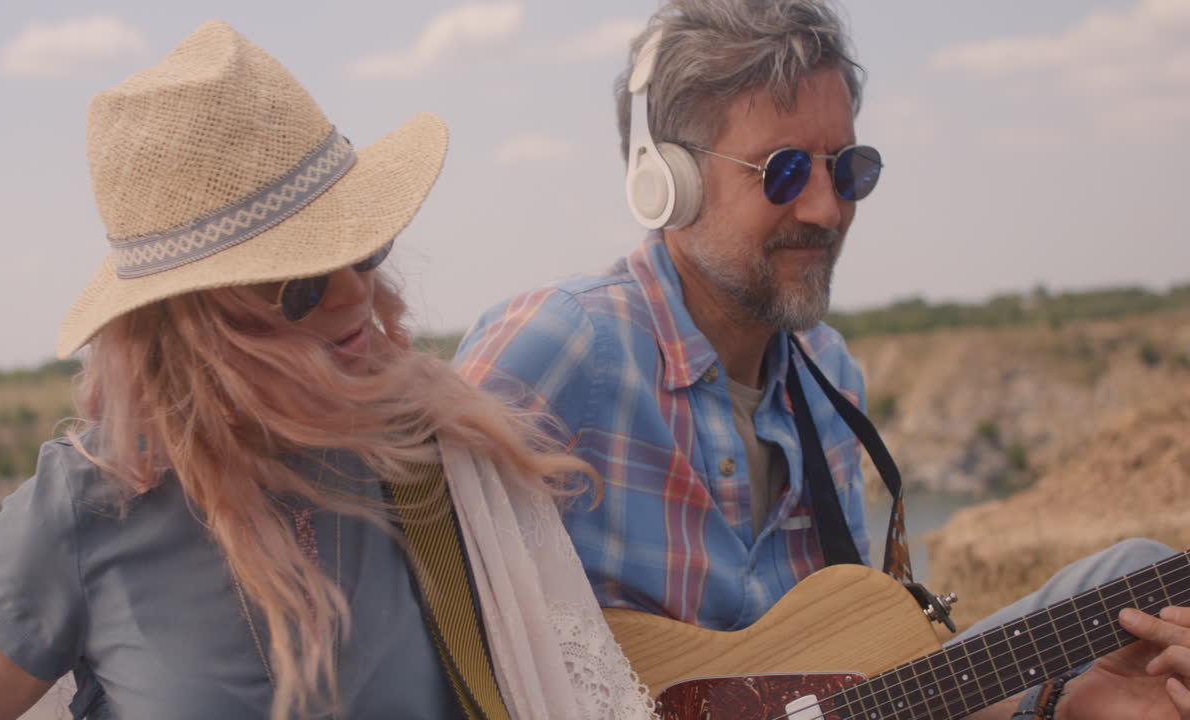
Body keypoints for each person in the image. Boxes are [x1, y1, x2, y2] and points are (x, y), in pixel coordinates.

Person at [452, 0, 1190, 717]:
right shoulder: (563, 347)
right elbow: (419, 617)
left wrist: (1060, 704)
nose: (826, 210)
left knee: (1141, 578)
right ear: (667, 183)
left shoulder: (829, 374)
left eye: (846, 169)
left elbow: (858, 678)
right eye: (782, 171)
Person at [0, 20, 653, 720]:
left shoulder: (431, 456)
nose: (355, 292)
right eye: (301, 279)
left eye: (364, 248)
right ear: (188, 325)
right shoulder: (87, 507)